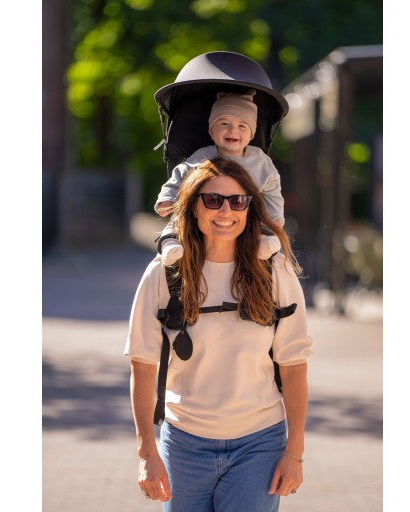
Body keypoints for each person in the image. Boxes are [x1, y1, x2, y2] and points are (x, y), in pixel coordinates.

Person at [124, 157, 313, 512]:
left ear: (249, 209)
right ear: (193, 207)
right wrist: (147, 453)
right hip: (184, 445)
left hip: (259, 444)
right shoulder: (164, 273)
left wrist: (295, 453)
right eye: (213, 200)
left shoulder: (275, 271)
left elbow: (293, 366)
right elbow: (143, 367)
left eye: (237, 201)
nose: (226, 210)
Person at [155, 90, 285, 265]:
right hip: (203, 214)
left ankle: (263, 243)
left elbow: (272, 190)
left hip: (246, 214)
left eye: (242, 126)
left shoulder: (260, 161)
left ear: (251, 134)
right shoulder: (203, 156)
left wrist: (275, 217)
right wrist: (168, 198)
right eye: (224, 123)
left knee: (261, 223)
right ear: (211, 131)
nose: (233, 130)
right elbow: (179, 177)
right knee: (179, 219)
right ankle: (171, 244)